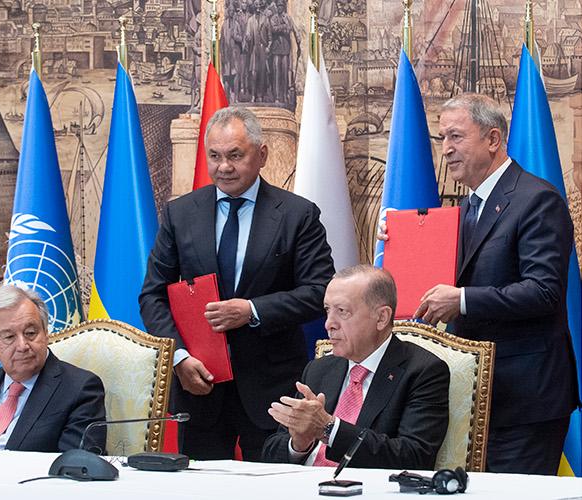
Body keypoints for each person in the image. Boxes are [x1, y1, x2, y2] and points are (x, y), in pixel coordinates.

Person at [380, 93, 578, 474]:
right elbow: (437, 277)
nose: (446, 150)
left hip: (525, 400)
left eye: (456, 137)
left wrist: (463, 300)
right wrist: (398, 241)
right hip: (473, 395)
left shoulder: (537, 199)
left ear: (492, 139)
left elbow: (544, 291)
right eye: (441, 139)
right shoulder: (467, 208)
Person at [139, 106, 335, 461]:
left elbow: (320, 291)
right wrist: (179, 357)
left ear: (261, 155)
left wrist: (252, 311)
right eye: (214, 156)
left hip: (272, 389)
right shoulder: (180, 213)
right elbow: (153, 295)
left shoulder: (297, 215)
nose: (223, 167)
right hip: (199, 384)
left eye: (235, 155)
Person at [262, 265, 449, 469]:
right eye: (327, 310)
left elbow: (414, 457)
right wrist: (299, 444)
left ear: (381, 318)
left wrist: (328, 428)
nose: (328, 324)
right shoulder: (319, 369)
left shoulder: (423, 371)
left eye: (342, 311)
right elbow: (273, 453)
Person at [0, 284, 106, 453]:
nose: (22, 345)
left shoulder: (80, 389)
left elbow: (78, 465)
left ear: (46, 333)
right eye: (9, 337)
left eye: (30, 333)